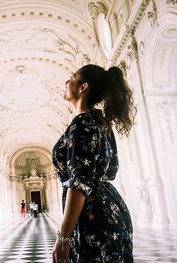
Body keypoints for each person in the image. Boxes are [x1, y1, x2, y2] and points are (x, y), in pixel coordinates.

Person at [51, 64, 136, 263]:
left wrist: (63, 238)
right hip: (111, 207)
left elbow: (79, 184)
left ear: (83, 87)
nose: (66, 82)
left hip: (93, 214)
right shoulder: (101, 121)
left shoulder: (83, 123)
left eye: (72, 78)